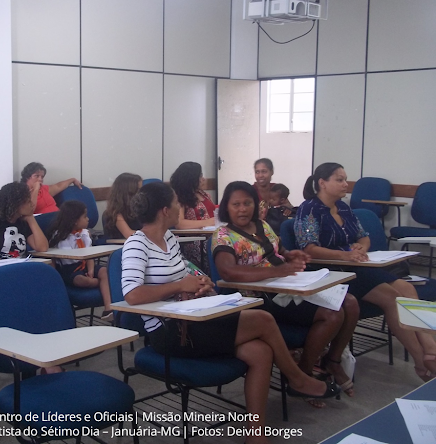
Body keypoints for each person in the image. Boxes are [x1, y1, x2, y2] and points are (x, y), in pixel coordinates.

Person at [122, 182, 340, 444]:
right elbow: (132, 295)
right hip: (168, 332)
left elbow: (181, 277)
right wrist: (180, 285)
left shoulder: (169, 238)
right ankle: (296, 378)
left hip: (191, 317)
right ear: (165, 210)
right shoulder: (137, 244)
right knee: (262, 318)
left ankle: (256, 437)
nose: (180, 208)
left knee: (261, 351)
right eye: (177, 204)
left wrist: (198, 283)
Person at [213, 181, 359, 406]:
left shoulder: (262, 225)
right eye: (236, 204)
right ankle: (305, 375)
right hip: (258, 298)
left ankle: (332, 361)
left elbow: (278, 251)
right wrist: (277, 270)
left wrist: (292, 255)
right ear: (226, 207)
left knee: (349, 302)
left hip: (287, 287)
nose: (242, 209)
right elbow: (228, 271)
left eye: (247, 203)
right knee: (332, 314)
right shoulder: (224, 235)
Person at [295, 162, 436, 382]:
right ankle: (421, 362)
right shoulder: (309, 209)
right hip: (332, 271)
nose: (345, 184)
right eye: (339, 180)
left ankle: (431, 348)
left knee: (406, 288)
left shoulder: (343, 207)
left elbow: (363, 235)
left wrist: (362, 246)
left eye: (345, 179)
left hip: (358, 266)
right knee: (391, 298)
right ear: (322, 183)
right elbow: (309, 249)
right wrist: (345, 255)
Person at [48, 200, 113, 321]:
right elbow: (64, 257)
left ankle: (108, 309)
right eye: (85, 216)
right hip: (70, 269)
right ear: (74, 221)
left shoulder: (85, 234)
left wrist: (92, 270)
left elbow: (89, 255)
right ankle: (101, 283)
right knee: (80, 281)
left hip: (86, 264)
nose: (88, 219)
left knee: (104, 270)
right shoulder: (60, 237)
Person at [0, 182, 48, 261]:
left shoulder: (22, 221)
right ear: (15, 204)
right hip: (0, 267)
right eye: (28, 202)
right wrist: (8, 267)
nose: (31, 204)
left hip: (20, 265)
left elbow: (42, 248)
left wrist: (31, 219)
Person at [170, 162, 216, 272]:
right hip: (195, 241)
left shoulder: (205, 195)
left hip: (212, 236)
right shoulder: (180, 197)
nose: (203, 179)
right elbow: (179, 223)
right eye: (200, 176)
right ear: (191, 178)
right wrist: (207, 222)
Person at [102, 172, 142, 239]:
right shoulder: (114, 213)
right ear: (129, 193)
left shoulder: (137, 209)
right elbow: (129, 234)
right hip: (123, 246)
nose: (141, 193)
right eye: (138, 190)